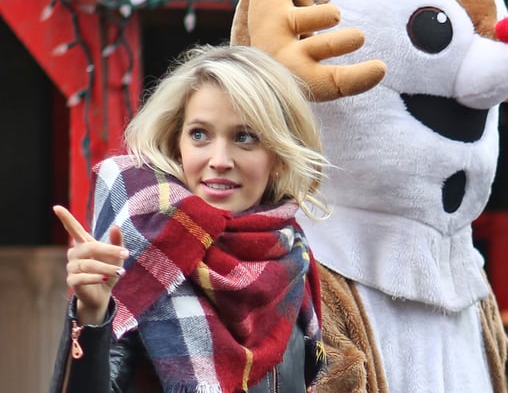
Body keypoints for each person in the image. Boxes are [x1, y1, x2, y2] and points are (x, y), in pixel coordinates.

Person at [49, 44, 332, 392]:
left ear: (278, 156)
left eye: (244, 137)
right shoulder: (140, 246)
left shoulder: (294, 255)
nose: (219, 159)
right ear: (176, 142)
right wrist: (92, 314)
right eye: (200, 134)